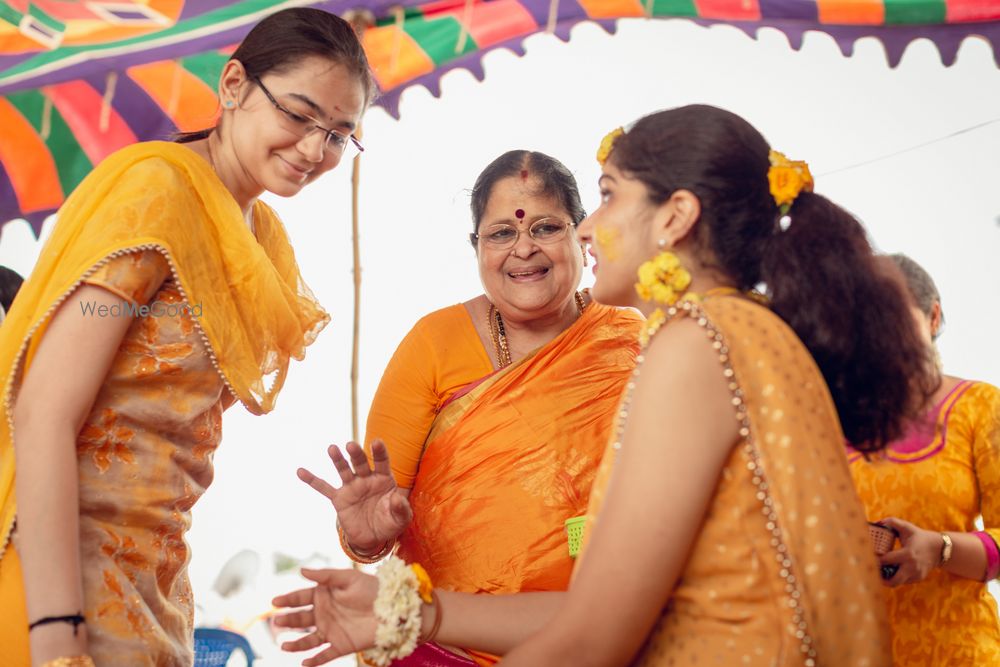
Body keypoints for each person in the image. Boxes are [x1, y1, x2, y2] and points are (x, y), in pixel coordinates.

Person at [272, 106, 938, 666]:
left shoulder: (691, 344)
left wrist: (415, 613)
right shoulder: (745, 331)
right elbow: (607, 608)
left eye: (609, 195)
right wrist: (414, 607)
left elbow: (596, 631)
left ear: (675, 217)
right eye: (503, 232)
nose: (591, 226)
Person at [0, 8, 373, 666]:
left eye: (340, 133)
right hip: (60, 582)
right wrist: (57, 633)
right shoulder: (158, 193)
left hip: (158, 574)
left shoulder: (258, 237)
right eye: (299, 113)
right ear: (233, 86)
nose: (317, 149)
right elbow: (42, 410)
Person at [295, 150, 643, 665]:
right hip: (446, 647)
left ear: (580, 234)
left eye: (545, 228)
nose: (523, 249)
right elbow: (373, 530)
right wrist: (365, 537)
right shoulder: (433, 344)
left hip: (612, 637)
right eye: (501, 234)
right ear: (476, 247)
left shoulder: (630, 340)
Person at [848, 253, 1000, 665]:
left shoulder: (981, 407)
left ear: (933, 318)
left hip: (959, 652)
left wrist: (940, 549)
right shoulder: (832, 421)